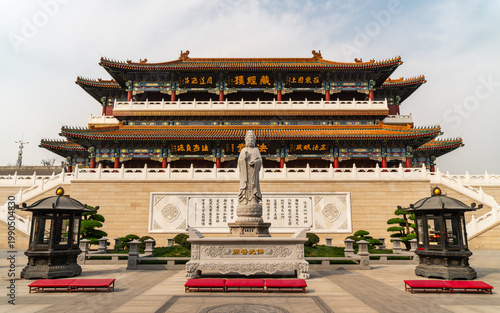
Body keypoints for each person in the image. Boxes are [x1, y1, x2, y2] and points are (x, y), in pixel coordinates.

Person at [238, 130, 262, 205]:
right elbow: (239, 161)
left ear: (254, 141)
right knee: (245, 185)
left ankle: (254, 198)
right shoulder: (243, 150)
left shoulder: (256, 150)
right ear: (246, 141)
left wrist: (255, 162)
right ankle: (244, 198)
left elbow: (260, 160)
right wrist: (244, 159)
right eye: (248, 140)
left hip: (253, 172)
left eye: (252, 140)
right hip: (246, 172)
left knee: (253, 184)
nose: (250, 141)